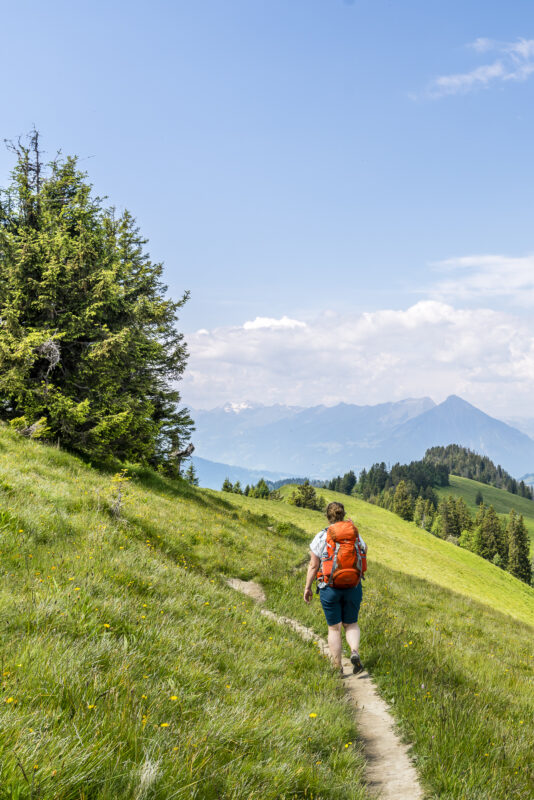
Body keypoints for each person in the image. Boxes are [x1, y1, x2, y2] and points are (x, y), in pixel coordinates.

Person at [303, 501, 366, 675]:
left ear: (327, 516)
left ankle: (337, 667)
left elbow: (313, 565)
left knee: (334, 628)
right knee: (351, 623)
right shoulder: (354, 534)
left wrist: (307, 587)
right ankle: (354, 651)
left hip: (329, 587)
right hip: (353, 585)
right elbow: (363, 552)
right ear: (343, 514)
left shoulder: (322, 536)